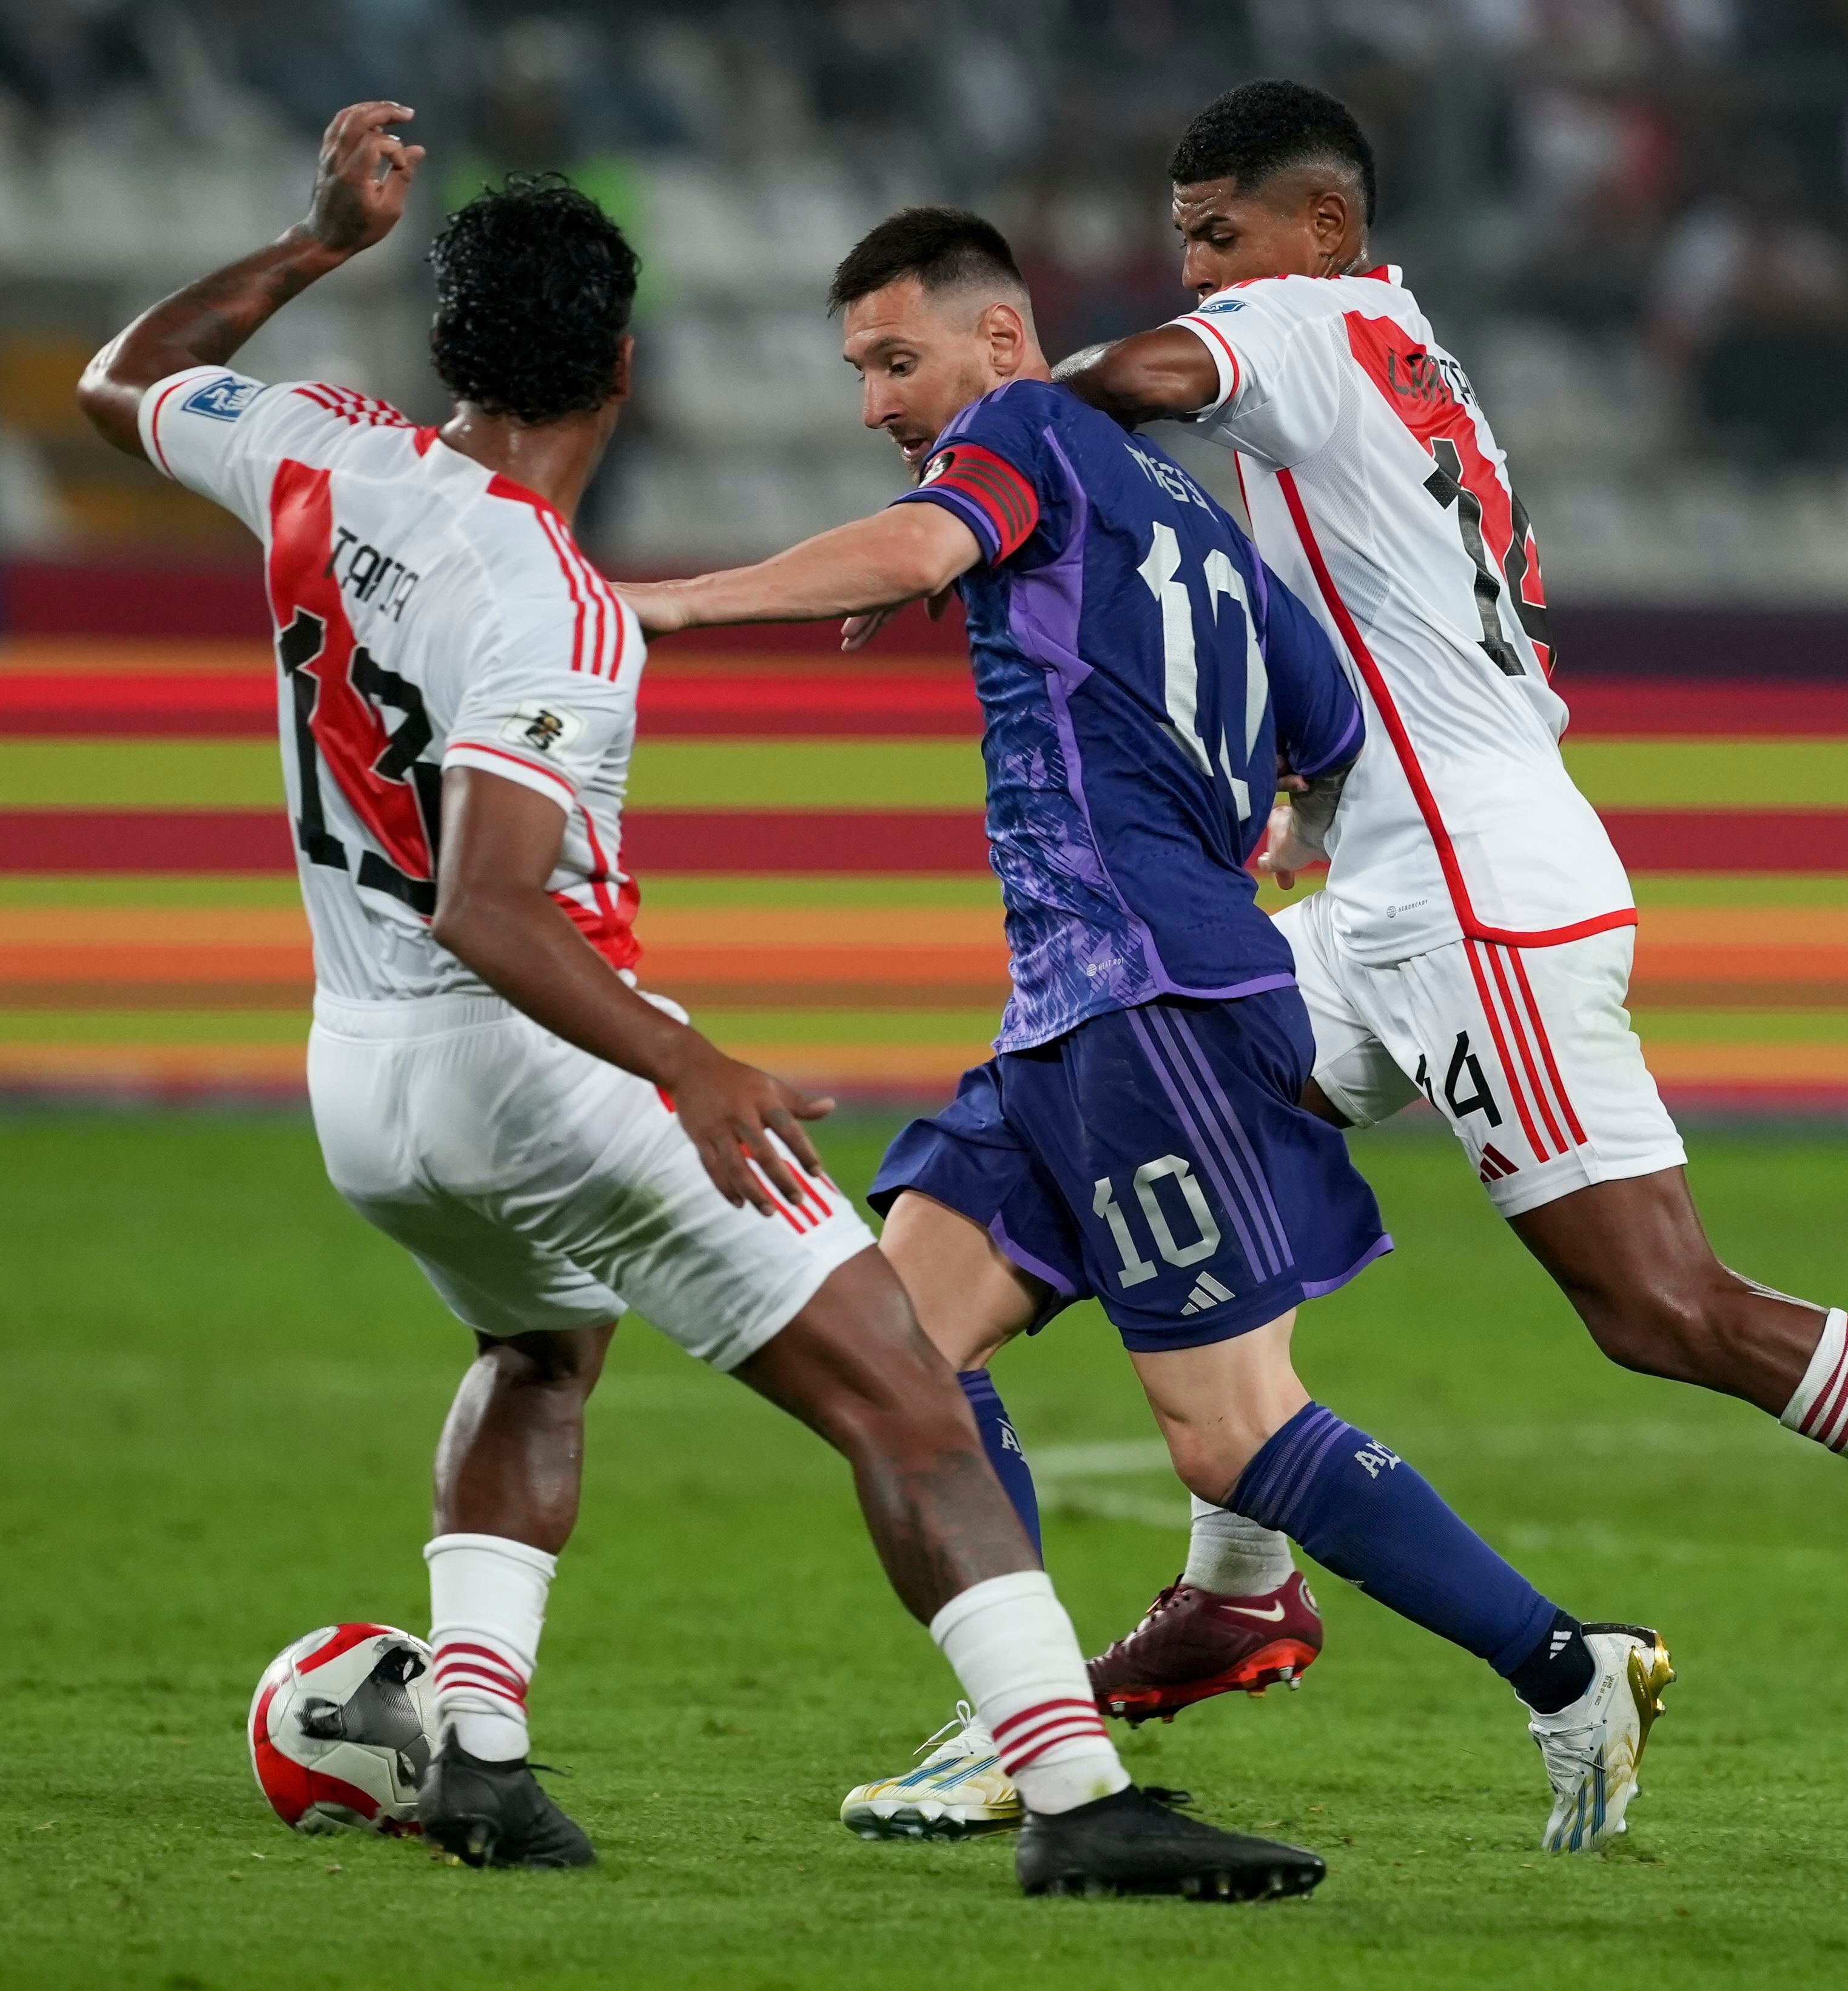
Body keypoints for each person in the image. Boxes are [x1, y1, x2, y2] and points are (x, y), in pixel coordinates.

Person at [75, 103, 1325, 1899]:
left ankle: (482, 1755)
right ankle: (1074, 1789)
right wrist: (697, 1062)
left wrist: (311, 242)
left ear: (440, 347)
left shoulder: (316, 451)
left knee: (537, 1345)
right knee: (901, 1384)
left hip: (359, 1075)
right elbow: (492, 899)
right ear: (627, 371)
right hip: (545, 1060)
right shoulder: (556, 602)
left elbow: (128, 373)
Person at [1052, 79, 1848, 1748]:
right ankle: (1235, 1573)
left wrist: (1003, 422)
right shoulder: (1396, 358)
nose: (1201, 272)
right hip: (1405, 874)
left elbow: (1144, 381)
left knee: (1659, 1307)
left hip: (1472, 906)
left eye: (1219, 235)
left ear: (1324, 227)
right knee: (1169, 1080)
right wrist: (1316, 793)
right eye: (1186, 243)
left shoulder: (1297, 322)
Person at [618, 208, 1670, 1859]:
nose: (876, 402)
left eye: (898, 361)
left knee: (1231, 1430)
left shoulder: (1028, 430)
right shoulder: (1203, 527)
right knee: (895, 1358)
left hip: (1159, 1002)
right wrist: (1274, 838)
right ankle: (1020, 1718)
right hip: (1077, 1007)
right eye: (858, 370)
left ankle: (1566, 1669)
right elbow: (1327, 740)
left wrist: (666, 608)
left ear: (1002, 343)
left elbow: (917, 549)